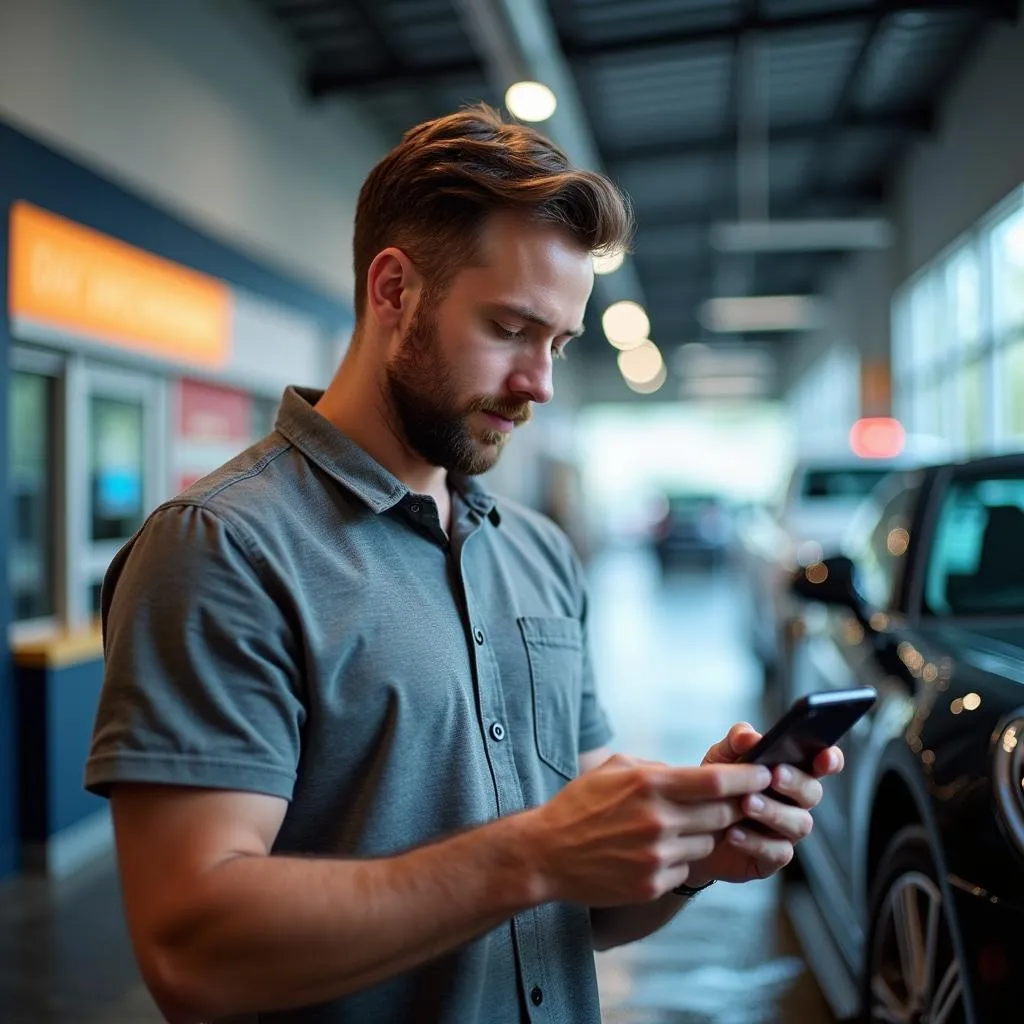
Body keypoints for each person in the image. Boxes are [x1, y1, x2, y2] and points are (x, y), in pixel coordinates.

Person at [85, 104, 843, 1024]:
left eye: (558, 343)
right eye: (512, 328)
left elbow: (578, 906)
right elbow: (192, 951)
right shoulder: (223, 550)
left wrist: (688, 856)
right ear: (394, 289)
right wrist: (532, 853)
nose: (541, 384)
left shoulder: (537, 554)